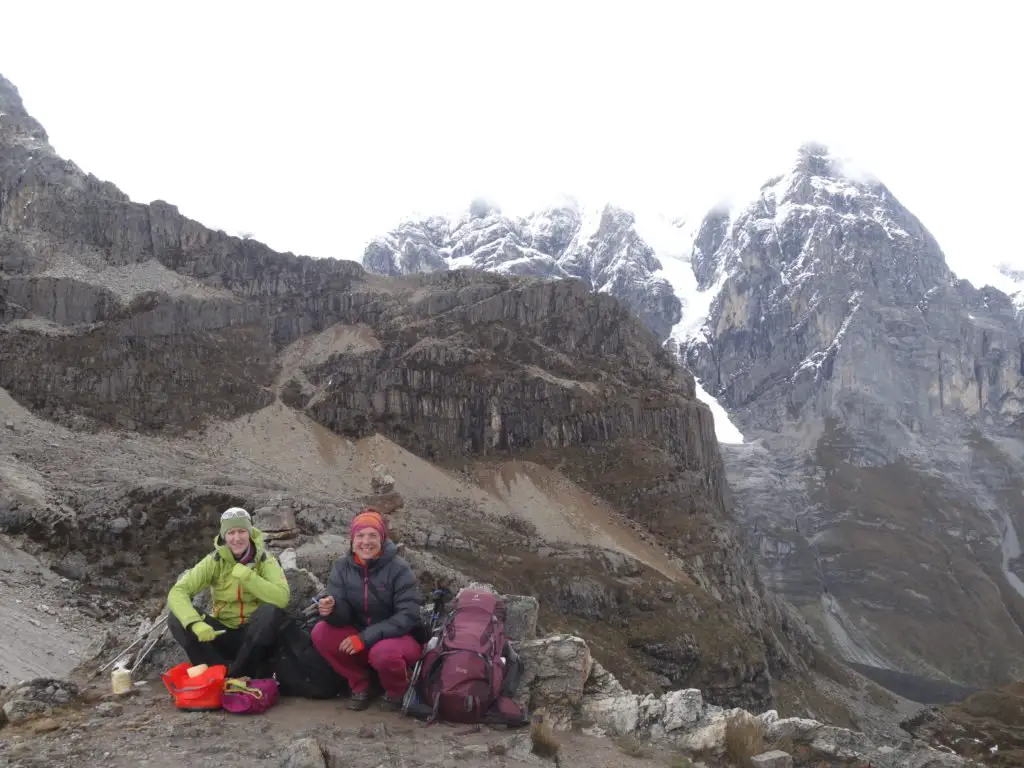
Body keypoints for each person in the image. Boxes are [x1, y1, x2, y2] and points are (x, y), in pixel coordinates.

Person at [312, 508, 424, 710]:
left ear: (382, 538)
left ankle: (397, 690)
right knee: (321, 632)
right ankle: (362, 685)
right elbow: (343, 614)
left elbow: (407, 616)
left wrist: (364, 639)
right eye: (360, 535)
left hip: (399, 639)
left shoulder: (399, 568)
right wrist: (331, 611)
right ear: (352, 540)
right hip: (361, 638)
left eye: (372, 535)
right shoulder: (341, 567)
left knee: (384, 653)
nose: (366, 542)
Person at [166, 506, 290, 678]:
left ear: (250, 533)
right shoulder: (214, 561)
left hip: (253, 636)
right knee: (176, 618)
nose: (237, 538)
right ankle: (219, 670)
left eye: (241, 531)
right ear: (224, 535)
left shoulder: (264, 560)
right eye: (231, 533)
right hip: (222, 633)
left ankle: (236, 673)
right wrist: (195, 623)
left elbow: (282, 598)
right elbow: (177, 592)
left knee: (270, 612)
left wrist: (248, 576)